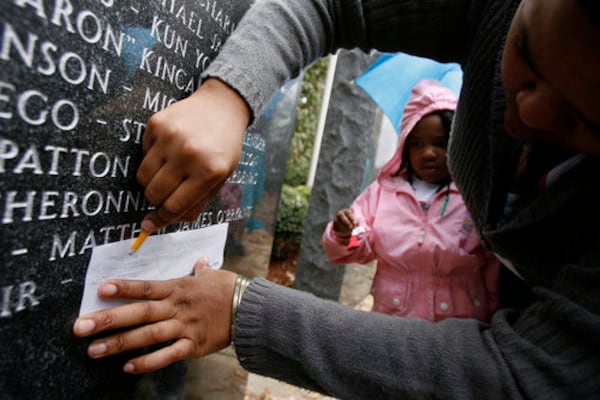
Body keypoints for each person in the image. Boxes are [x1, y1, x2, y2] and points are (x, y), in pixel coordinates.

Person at [72, 0, 600, 398]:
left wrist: (243, 312)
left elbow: (521, 376)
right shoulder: (386, 189)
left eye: (580, 120)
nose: (527, 115)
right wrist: (227, 95)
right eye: (526, 56)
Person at [321, 79, 500, 321]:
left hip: (459, 329)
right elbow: (360, 248)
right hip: (394, 323)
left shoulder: (475, 195)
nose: (428, 153)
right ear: (404, 146)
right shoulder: (383, 192)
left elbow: (492, 261)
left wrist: (493, 311)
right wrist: (346, 235)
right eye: (417, 144)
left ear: (458, 142)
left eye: (440, 142)